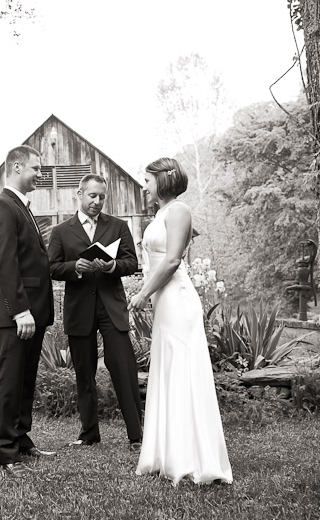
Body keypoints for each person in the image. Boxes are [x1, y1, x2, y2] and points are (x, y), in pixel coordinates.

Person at [128, 157, 233, 486]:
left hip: (177, 299)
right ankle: (166, 451)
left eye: (147, 180)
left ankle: (192, 455)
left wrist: (143, 294)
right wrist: (149, 293)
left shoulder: (179, 211)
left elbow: (173, 260)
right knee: (167, 370)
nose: (144, 186)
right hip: (164, 300)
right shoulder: (159, 213)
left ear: (164, 180)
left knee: (183, 369)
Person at [48, 173, 143, 449]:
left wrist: (113, 267)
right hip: (79, 309)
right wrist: (74, 267)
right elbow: (52, 268)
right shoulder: (61, 231)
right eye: (92, 196)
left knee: (123, 369)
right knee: (84, 373)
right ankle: (89, 434)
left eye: (102, 197)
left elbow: (131, 262)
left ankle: (136, 436)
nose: (98, 201)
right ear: (79, 195)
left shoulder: (118, 226)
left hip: (111, 307)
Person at [0, 145, 56, 478]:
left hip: (34, 312)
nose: (41, 174)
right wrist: (20, 311)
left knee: (26, 380)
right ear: (17, 166)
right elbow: (5, 264)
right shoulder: (1, 207)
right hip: (16, 313)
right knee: (9, 380)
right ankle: (4, 450)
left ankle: (21, 439)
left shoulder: (22, 207)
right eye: (37, 169)